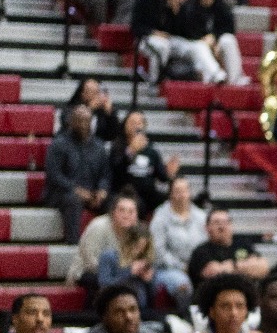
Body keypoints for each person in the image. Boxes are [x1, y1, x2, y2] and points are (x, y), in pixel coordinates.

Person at [44, 104, 110, 244]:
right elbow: (54, 175)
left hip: (91, 193)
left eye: (87, 120)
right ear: (71, 121)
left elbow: (105, 174)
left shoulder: (99, 146)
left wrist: (102, 190)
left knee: (116, 203)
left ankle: (111, 245)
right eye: (79, 120)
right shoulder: (59, 144)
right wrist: (76, 189)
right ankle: (74, 244)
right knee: (73, 200)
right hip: (62, 193)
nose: (83, 124)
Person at [176, 0, 249, 85]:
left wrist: (215, 39)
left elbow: (229, 29)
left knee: (228, 40)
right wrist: (205, 40)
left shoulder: (222, 6)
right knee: (201, 47)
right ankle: (216, 75)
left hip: (215, 43)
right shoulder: (190, 7)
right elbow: (187, 30)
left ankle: (235, 79)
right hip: (195, 43)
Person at [109, 110, 179, 221]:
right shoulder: (117, 146)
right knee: (139, 204)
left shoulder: (151, 149)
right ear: (125, 125)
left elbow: (161, 176)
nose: (136, 126)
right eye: (132, 122)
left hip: (149, 192)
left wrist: (170, 173)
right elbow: (115, 171)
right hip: (126, 192)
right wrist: (130, 151)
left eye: (139, 123)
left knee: (171, 200)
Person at [149, 175, 202, 310]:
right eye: (177, 191)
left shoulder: (201, 216)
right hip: (167, 269)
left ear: (190, 192)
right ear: (170, 194)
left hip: (197, 265)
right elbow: (158, 252)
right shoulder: (160, 217)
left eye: (184, 190)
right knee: (181, 283)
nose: (181, 195)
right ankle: (186, 318)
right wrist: (182, 267)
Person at [187, 206, 272, 282]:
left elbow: (263, 267)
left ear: (231, 225)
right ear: (207, 228)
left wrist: (233, 266)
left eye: (225, 222)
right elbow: (214, 274)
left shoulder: (243, 244)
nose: (222, 227)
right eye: (217, 223)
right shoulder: (201, 251)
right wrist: (246, 266)